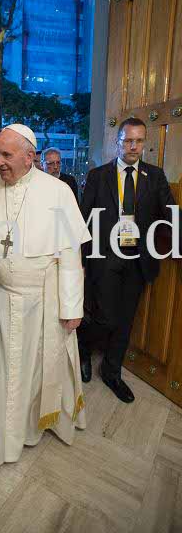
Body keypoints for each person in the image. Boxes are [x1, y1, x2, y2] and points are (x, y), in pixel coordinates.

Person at [0, 124, 90, 466]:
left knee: (38, 371)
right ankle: (2, 428)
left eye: (7, 155)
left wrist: (72, 306)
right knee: (0, 368)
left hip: (43, 300)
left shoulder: (58, 191)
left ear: (29, 156)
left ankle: (33, 426)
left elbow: (70, 255)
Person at [78, 117, 181, 403]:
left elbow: (171, 214)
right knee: (105, 318)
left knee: (125, 321)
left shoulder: (155, 176)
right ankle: (83, 347)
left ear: (144, 143)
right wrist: (80, 260)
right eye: (128, 141)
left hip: (138, 259)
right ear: (118, 142)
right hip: (105, 257)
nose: (133, 146)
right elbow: (83, 220)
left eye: (139, 141)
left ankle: (112, 372)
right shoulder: (99, 176)